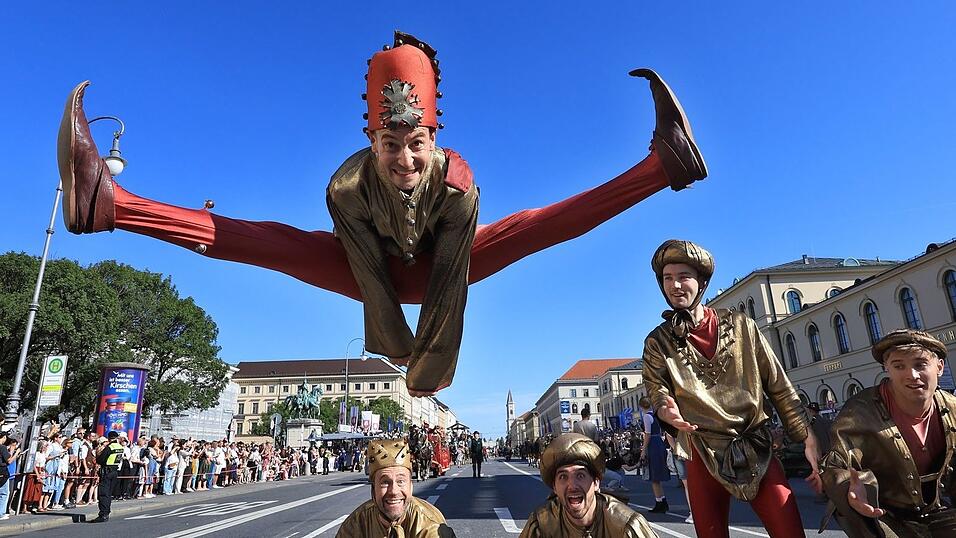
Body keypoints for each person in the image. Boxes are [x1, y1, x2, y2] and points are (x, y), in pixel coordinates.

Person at [57, 32, 708, 398]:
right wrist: (394, 345)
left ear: (435, 138)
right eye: (391, 146)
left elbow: (449, 290)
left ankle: (662, 166)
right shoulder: (345, 189)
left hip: (441, 269)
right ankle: (108, 203)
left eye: (416, 144)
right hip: (372, 274)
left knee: (535, 225)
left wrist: (428, 373)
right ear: (372, 143)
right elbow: (369, 279)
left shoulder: (457, 186)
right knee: (268, 241)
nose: (404, 160)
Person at [641, 240, 822, 537]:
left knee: (789, 530)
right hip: (702, 452)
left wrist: (807, 437)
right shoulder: (657, 341)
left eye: (683, 276)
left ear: (701, 281)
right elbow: (656, 387)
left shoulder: (742, 326)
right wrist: (665, 409)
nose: (674, 285)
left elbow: (778, 385)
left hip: (756, 447)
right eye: (667, 278)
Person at [820, 329, 956, 537]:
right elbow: (834, 466)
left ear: (939, 367)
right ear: (887, 368)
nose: (912, 375)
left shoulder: (952, 408)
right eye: (899, 366)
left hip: (940, 509)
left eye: (920, 364)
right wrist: (851, 487)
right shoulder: (860, 411)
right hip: (885, 514)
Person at [520, 433, 657, 537]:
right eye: (563, 477)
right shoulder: (542, 524)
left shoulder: (625, 525)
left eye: (580, 475)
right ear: (554, 487)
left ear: (596, 482)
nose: (572, 485)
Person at [336, 438, 455, 537]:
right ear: (373, 489)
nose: (393, 491)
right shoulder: (355, 525)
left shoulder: (430, 527)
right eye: (385, 482)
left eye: (401, 481)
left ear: (411, 487)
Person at [638, 397, 671, 513]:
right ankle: (662, 500)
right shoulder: (656, 416)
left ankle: (659, 502)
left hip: (653, 444)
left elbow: (647, 434)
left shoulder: (647, 417)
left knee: (654, 476)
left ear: (641, 406)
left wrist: (643, 450)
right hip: (659, 442)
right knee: (656, 475)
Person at [88, 431, 124, 523]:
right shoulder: (120, 447)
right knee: (108, 494)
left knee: (104, 494)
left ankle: (103, 514)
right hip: (115, 471)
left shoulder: (110, 447)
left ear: (109, 438)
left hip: (107, 472)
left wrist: (98, 455)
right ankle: (107, 512)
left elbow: (101, 460)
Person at [0, 432, 23, 520]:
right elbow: (9, 460)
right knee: (4, 493)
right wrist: (16, 453)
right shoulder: (2, 447)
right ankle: (1, 513)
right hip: (2, 471)